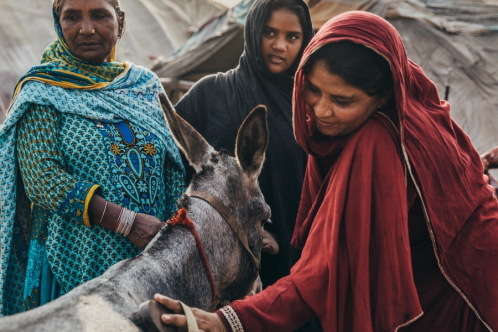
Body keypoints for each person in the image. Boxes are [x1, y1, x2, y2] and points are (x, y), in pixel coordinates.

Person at [155, 11, 498, 332]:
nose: (320, 110)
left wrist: (228, 321)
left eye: (342, 101)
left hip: (454, 301)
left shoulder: (374, 142)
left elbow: (324, 273)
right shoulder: (420, 111)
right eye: (313, 90)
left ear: (381, 98)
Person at [0, 0, 185, 315]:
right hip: (75, 266)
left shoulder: (144, 86)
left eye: (99, 15)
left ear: (120, 22)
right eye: (72, 17)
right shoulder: (43, 90)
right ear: (59, 23)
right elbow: (43, 180)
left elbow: (176, 165)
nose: (86, 29)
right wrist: (128, 222)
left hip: (152, 260)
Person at [175, 0, 314, 289]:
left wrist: (277, 234)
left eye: (292, 37)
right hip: (210, 256)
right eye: (269, 33)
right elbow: (171, 163)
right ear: (253, 32)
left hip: (289, 257)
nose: (279, 46)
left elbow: (314, 188)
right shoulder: (210, 93)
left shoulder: (309, 105)